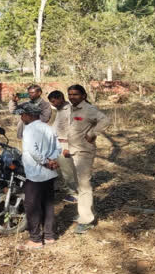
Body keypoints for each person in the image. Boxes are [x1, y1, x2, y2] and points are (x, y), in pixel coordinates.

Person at [14, 102, 61, 250]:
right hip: (49, 173)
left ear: (29, 115)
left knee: (32, 206)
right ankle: (49, 236)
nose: (21, 117)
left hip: (35, 174)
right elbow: (58, 148)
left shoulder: (29, 130)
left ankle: (35, 239)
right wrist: (52, 161)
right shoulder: (48, 127)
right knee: (48, 204)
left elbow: (33, 151)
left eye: (22, 114)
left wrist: (45, 162)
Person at [64, 84, 109, 234]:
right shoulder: (72, 109)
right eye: (70, 94)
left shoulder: (89, 109)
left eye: (75, 94)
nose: (72, 97)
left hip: (84, 152)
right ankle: (86, 212)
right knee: (79, 185)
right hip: (73, 151)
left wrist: (93, 133)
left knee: (84, 186)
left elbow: (105, 120)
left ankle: (86, 220)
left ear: (83, 96)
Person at [48, 90, 78, 203]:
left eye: (54, 101)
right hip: (57, 144)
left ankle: (74, 194)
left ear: (61, 98)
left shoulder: (70, 110)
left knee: (68, 171)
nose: (53, 104)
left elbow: (75, 129)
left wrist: (69, 147)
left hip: (65, 143)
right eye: (51, 102)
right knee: (53, 167)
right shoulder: (59, 110)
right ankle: (58, 188)